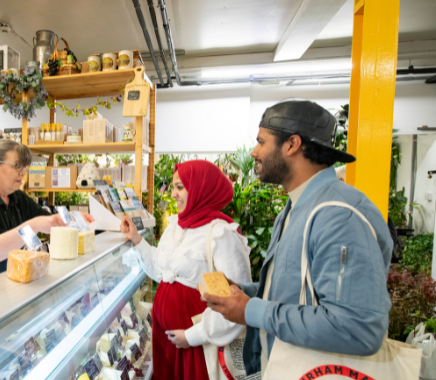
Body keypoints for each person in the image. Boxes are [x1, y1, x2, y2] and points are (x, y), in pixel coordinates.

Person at [204, 100, 393, 376]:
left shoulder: (338, 215)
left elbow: (356, 328)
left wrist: (252, 311)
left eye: (261, 142)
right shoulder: (296, 207)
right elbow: (300, 290)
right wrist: (246, 293)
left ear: (292, 144)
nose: (254, 152)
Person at [120, 160, 252, 380]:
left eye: (180, 187)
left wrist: (192, 336)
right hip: (167, 341)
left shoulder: (221, 234)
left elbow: (236, 305)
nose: (173, 194)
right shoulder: (176, 226)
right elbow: (162, 272)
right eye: (173, 187)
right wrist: (136, 239)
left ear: (201, 188)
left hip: (199, 347)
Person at [0, 140, 94, 294]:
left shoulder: (18, 198)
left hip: (2, 288)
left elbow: (50, 221)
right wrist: (33, 226)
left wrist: (74, 218)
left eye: (25, 167)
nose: (23, 172)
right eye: (17, 166)